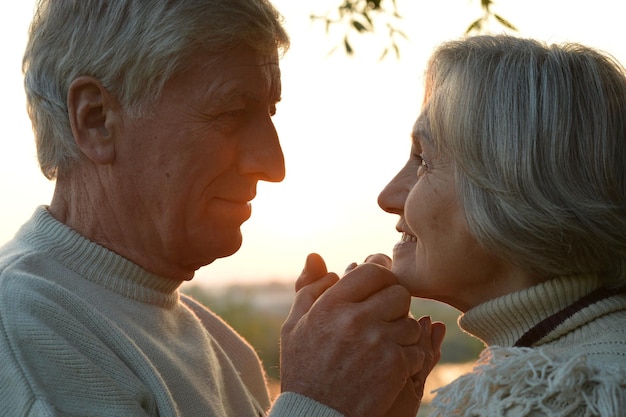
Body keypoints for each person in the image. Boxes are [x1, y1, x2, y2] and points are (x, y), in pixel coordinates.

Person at [0, 1, 442, 416]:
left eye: (268, 113)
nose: (274, 165)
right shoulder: (25, 332)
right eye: (233, 112)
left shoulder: (221, 346)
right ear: (96, 118)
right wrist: (319, 402)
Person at [376, 34, 626, 416]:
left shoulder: (549, 399)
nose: (389, 196)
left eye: (423, 160)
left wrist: (317, 400)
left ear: (515, 185)